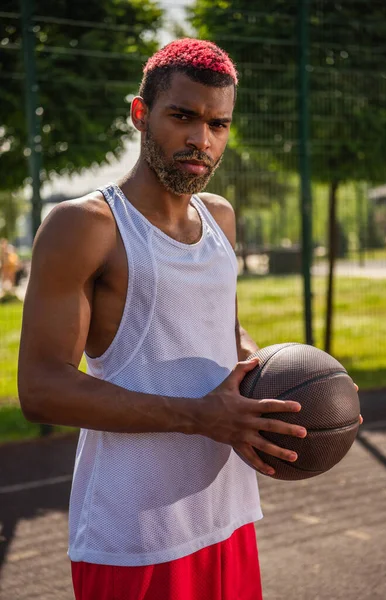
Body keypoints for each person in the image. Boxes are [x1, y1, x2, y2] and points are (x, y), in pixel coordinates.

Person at [18, 38, 361, 600]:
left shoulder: (220, 217)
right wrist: (202, 417)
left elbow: (224, 333)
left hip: (225, 516)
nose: (201, 139)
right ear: (140, 114)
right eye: (183, 116)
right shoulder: (85, 227)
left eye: (218, 124)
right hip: (135, 539)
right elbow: (40, 388)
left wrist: (288, 386)